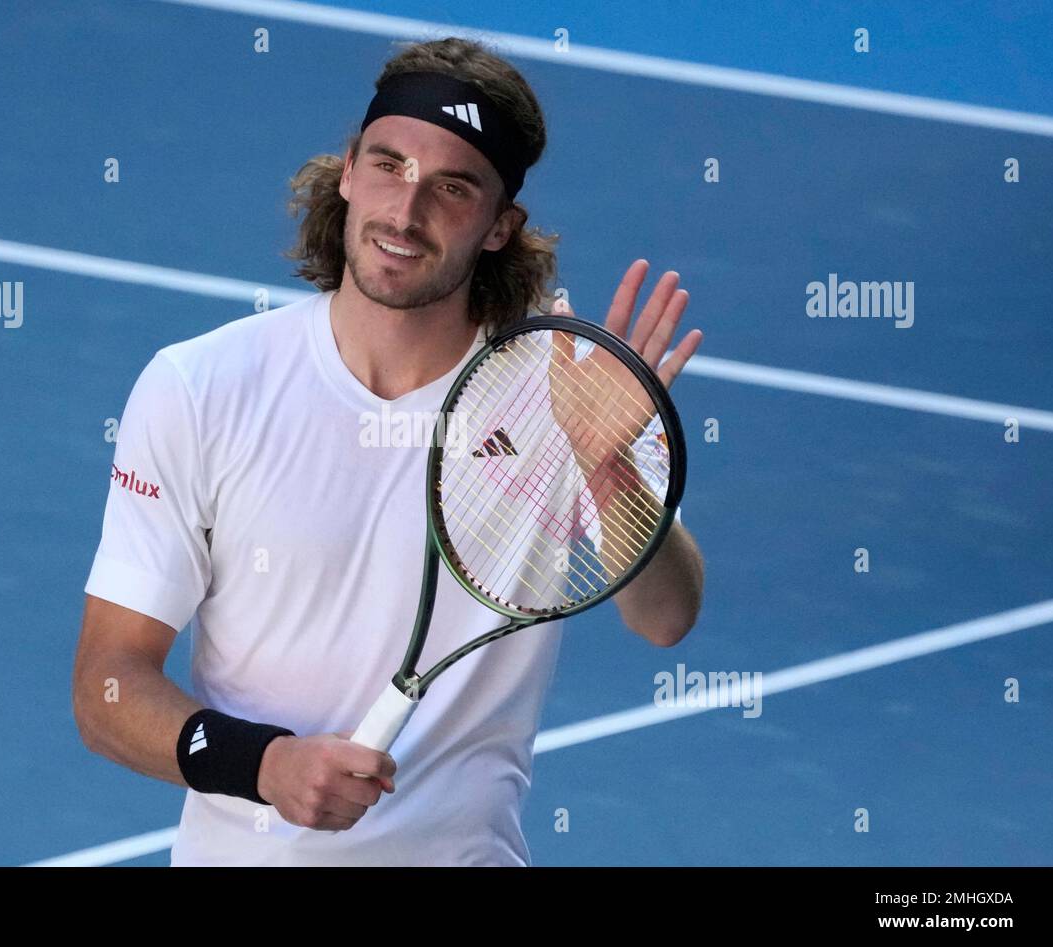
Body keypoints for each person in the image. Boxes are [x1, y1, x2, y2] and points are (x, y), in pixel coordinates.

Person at [73, 37, 704, 866]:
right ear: (346, 171)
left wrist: (605, 465)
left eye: (452, 188)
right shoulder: (199, 386)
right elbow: (106, 687)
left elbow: (666, 617)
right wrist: (262, 764)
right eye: (388, 164)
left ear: (498, 228)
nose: (405, 214)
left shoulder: (558, 395)